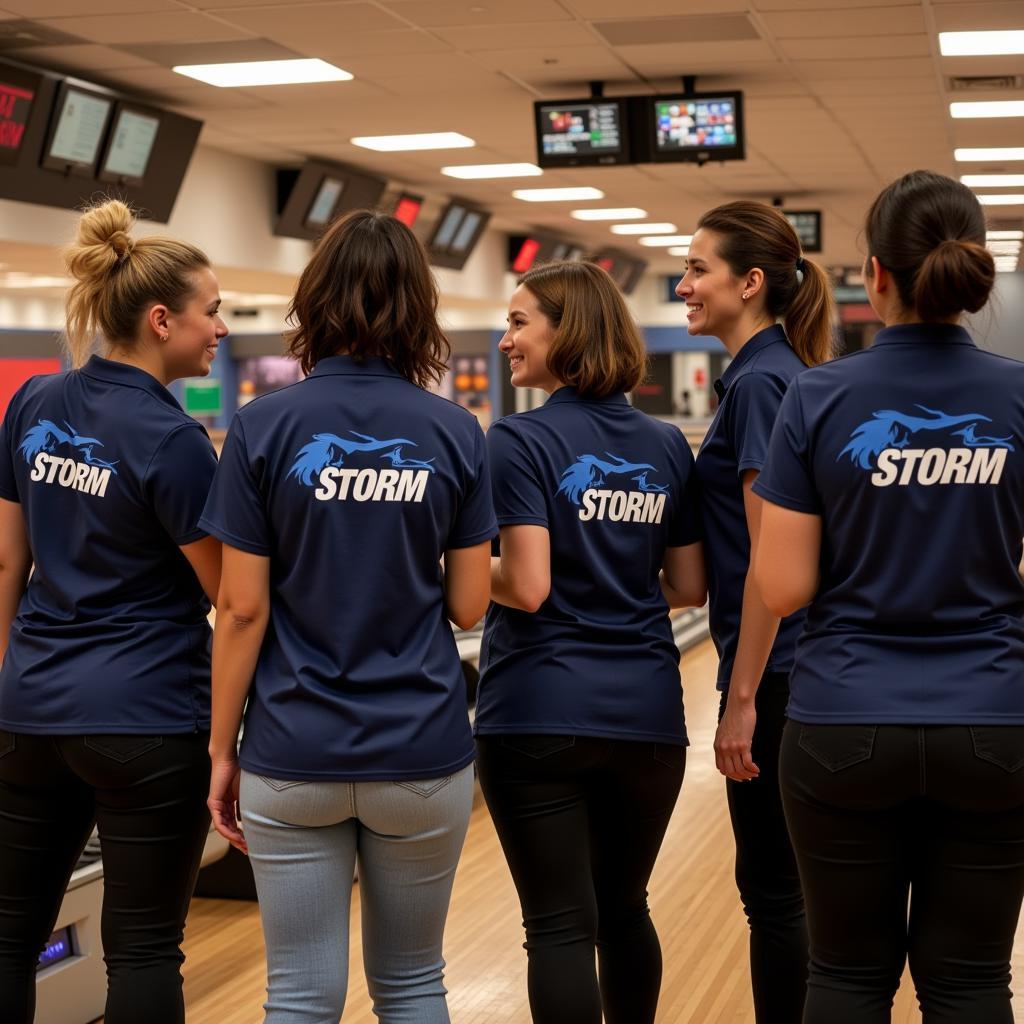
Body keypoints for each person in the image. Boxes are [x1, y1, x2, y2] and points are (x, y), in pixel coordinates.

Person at [201, 210, 495, 1024]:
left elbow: (241, 606)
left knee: (299, 992)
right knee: (412, 984)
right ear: (416, 309)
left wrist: (221, 750)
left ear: (314, 302)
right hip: (422, 748)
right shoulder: (454, 431)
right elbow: (471, 603)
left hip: (293, 748)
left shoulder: (261, 426)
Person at [753, 170, 1024, 1023]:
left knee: (845, 975)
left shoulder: (819, 395)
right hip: (995, 721)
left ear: (874, 274)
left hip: (842, 722)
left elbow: (785, 587)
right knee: (972, 980)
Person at [0, 199, 224, 1024]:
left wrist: (10, 678)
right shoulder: (173, 440)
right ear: (162, 320)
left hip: (30, 710)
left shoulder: (32, 403)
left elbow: (6, 560)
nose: (222, 330)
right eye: (213, 311)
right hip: (145, 719)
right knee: (143, 949)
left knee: (6, 935)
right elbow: (225, 593)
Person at [475, 260, 706, 1024]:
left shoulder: (519, 440)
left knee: (558, 928)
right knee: (625, 908)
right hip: (645, 715)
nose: (506, 339)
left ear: (564, 331)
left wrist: (461, 570)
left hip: (538, 710)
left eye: (518, 323)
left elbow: (529, 585)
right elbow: (687, 586)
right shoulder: (668, 445)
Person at [675, 200, 834, 1022]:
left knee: (775, 897)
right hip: (786, 671)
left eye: (699, 268)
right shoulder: (768, 377)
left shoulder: (765, 385)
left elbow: (773, 567)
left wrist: (741, 699)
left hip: (777, 677)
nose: (684, 284)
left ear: (753, 281)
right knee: (785, 894)